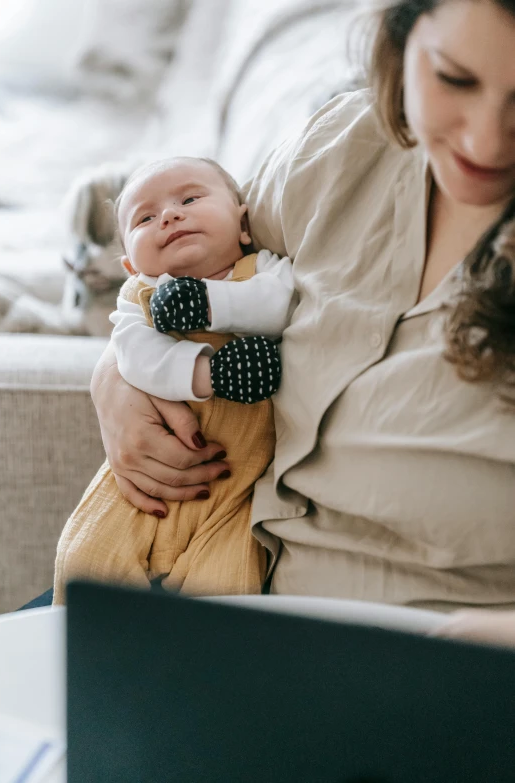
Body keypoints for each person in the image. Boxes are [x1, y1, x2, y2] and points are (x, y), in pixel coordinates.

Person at [87, 0, 515, 612]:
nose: (486, 140)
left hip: (437, 666)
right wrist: (119, 373)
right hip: (230, 614)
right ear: (402, 37)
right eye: (454, 78)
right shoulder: (347, 147)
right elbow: (188, 263)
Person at [53, 157, 295, 604]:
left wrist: (208, 305)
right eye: (146, 218)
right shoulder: (140, 295)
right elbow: (135, 354)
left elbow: (282, 305)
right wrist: (207, 373)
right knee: (84, 562)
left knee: (227, 588)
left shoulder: (262, 271)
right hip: (142, 488)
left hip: (236, 491)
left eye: (189, 198)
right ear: (130, 265)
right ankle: (91, 661)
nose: (169, 215)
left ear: (243, 225)